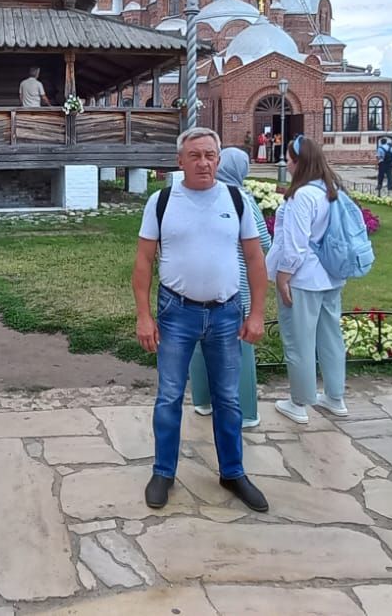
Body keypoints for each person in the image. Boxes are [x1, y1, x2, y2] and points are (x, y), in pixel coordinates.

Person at [134, 127, 269, 513]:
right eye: (195, 156)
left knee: (228, 397)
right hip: (177, 313)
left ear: (219, 160)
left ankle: (233, 472)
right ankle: (163, 472)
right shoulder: (161, 202)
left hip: (226, 313)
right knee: (170, 396)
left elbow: (256, 259)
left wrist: (257, 313)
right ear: (180, 161)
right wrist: (144, 316)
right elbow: (144, 261)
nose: (203, 162)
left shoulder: (236, 199)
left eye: (210, 155)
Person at [269, 135, 351, 424]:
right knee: (330, 337)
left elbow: (296, 244)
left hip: (303, 279)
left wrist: (283, 276)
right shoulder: (331, 190)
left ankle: (299, 402)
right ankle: (335, 396)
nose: (287, 163)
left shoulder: (301, 196)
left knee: (299, 340)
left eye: (289, 158)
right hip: (331, 275)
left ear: (300, 162)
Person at [190, 148, 270, 429]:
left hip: (198, 287)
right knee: (238, 350)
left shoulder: (197, 197)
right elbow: (262, 246)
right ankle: (246, 412)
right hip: (235, 290)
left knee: (200, 342)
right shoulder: (242, 200)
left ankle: (202, 400)